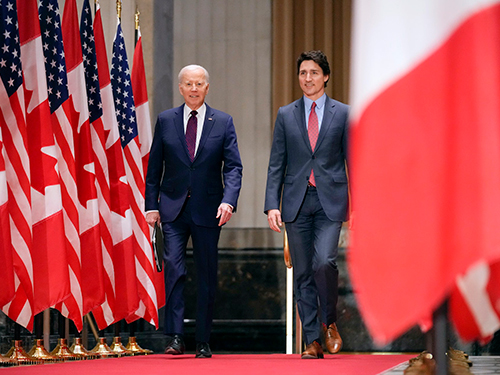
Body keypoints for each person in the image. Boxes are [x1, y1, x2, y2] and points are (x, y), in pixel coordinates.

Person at [145, 64, 243, 358]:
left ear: (207, 88)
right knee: (174, 269)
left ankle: (203, 339)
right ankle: (175, 336)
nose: (194, 88)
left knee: (206, 274)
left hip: (209, 209)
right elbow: (154, 169)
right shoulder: (166, 120)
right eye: (188, 84)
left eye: (199, 84)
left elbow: (234, 167)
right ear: (180, 88)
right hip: (172, 209)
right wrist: (151, 205)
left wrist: (229, 200)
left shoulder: (223, 122)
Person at [264, 50, 349, 359]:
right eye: (303, 73)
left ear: (325, 76)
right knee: (302, 272)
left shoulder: (343, 113)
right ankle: (312, 339)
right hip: (296, 201)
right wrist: (272, 203)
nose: (308, 78)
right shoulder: (286, 114)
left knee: (324, 262)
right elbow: (277, 163)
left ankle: (330, 322)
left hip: (330, 200)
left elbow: (354, 160)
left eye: (313, 72)